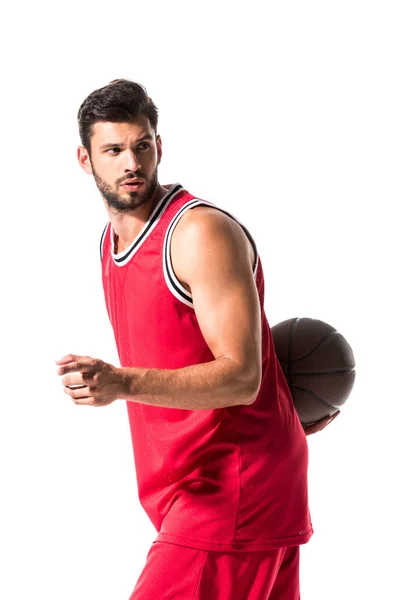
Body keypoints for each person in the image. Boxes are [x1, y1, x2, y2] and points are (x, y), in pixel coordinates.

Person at [56, 79, 339, 599]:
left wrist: (119, 382)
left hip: (232, 490)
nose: (130, 164)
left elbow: (242, 375)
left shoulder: (197, 234)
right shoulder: (111, 242)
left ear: (158, 145)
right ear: (84, 158)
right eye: (113, 150)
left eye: (141, 146)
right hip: (201, 490)